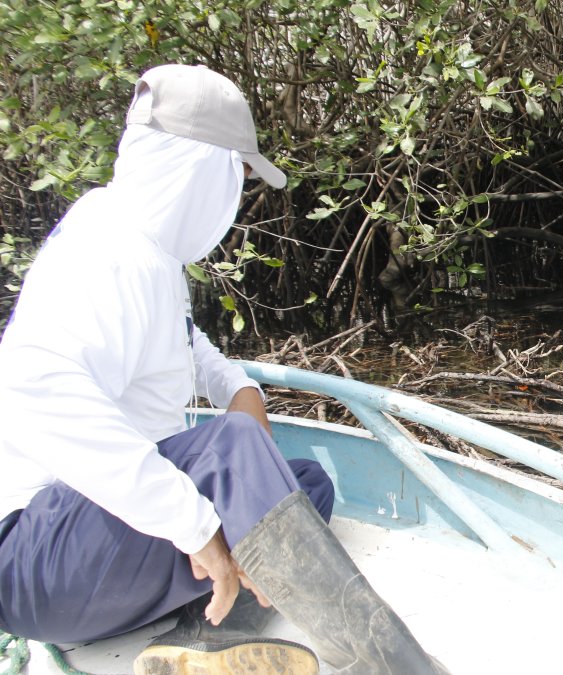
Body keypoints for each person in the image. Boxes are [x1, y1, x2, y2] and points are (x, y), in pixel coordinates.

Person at [0, 64, 444, 674]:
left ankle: (205, 635)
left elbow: (188, 344)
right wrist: (193, 523)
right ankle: (392, 666)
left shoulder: (149, 255)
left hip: (97, 550)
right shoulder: (104, 252)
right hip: (36, 558)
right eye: (234, 172)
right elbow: (36, 390)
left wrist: (237, 385)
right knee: (236, 451)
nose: (237, 193)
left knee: (305, 481)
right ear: (198, 169)